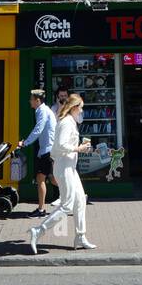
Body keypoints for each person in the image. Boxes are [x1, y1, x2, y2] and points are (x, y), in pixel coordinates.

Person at [28, 94, 97, 252]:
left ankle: (80, 236)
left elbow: (64, 144)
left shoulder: (70, 121)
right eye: (81, 108)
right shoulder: (66, 122)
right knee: (67, 205)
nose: (82, 111)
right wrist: (78, 148)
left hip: (69, 168)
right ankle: (38, 231)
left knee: (80, 200)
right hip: (64, 168)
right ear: (74, 107)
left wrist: (79, 147)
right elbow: (59, 145)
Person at [18, 88, 57, 216]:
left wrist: (25, 142)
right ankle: (41, 208)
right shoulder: (43, 110)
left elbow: (38, 129)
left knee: (43, 178)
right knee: (50, 178)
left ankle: (41, 209)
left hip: (47, 150)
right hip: (47, 149)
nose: (29, 101)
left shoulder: (42, 111)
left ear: (37, 100)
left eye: (31, 99)